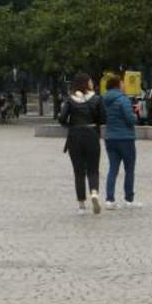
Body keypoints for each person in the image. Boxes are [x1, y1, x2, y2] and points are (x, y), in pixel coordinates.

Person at [59, 75, 105, 215]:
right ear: (86, 84)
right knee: (93, 168)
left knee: (78, 171)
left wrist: (71, 126)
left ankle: (81, 204)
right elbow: (104, 118)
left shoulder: (70, 100)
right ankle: (94, 192)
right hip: (91, 134)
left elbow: (61, 118)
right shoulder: (96, 99)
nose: (92, 83)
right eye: (90, 81)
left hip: (75, 136)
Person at [100, 75, 141, 210]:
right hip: (125, 138)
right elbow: (130, 119)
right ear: (118, 85)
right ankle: (129, 199)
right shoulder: (123, 100)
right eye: (122, 83)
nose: (124, 85)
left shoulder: (104, 100)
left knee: (113, 169)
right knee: (129, 169)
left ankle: (109, 199)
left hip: (110, 138)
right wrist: (136, 114)